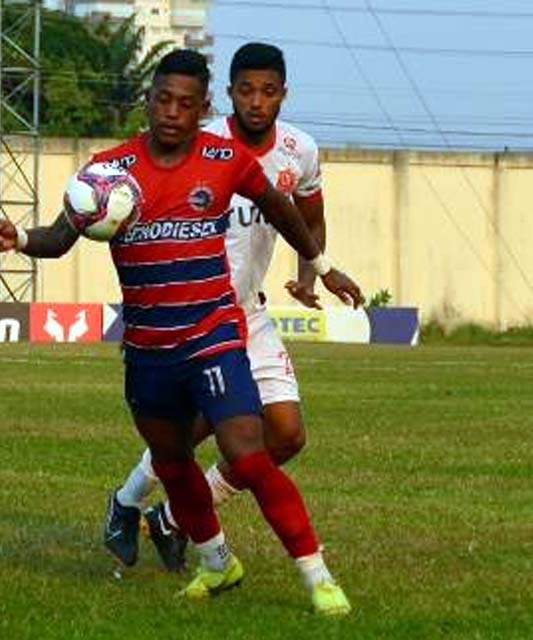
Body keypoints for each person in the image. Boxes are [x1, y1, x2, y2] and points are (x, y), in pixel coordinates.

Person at [0, 49, 363, 606]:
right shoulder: (109, 173)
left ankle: (317, 577)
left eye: (186, 104)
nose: (173, 113)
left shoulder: (224, 158)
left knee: (251, 453)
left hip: (216, 334)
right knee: (174, 463)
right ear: (148, 101)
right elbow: (61, 237)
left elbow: (283, 209)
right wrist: (18, 239)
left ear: (202, 107)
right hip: (149, 347)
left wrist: (321, 269)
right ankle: (216, 564)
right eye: (164, 100)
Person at [105, 42, 351, 615]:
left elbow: (305, 213)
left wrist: (313, 272)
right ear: (229, 94)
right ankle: (129, 502)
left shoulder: (300, 151)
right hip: (200, 314)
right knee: (187, 436)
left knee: (284, 435)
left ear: (283, 95)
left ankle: (166, 515)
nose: (257, 101)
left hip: (251, 311)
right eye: (247, 90)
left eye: (268, 91)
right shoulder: (202, 141)